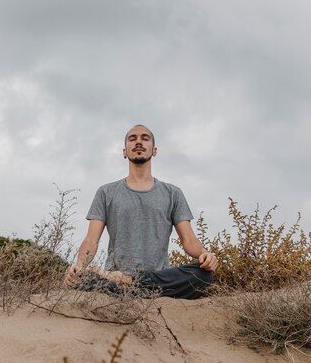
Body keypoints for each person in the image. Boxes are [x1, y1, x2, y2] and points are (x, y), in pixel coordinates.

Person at [65, 124, 218, 298]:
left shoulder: (173, 193)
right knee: (85, 278)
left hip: (159, 279)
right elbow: (91, 241)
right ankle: (127, 285)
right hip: (113, 280)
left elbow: (189, 240)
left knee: (203, 275)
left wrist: (205, 254)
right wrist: (79, 266)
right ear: (125, 151)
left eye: (145, 138)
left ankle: (129, 281)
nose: (138, 142)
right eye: (133, 138)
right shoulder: (106, 192)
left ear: (154, 150)